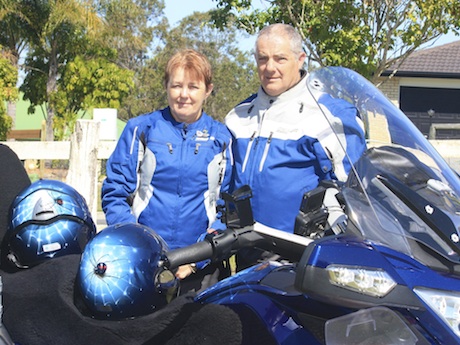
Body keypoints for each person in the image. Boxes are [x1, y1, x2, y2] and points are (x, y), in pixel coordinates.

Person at [225, 24, 366, 255]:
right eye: (262, 59)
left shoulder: (333, 116)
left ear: (300, 59)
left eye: (280, 59)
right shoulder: (237, 117)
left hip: (302, 258)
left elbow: (356, 194)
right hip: (245, 253)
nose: (270, 68)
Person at [101, 49, 232, 292]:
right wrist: (138, 246)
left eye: (193, 87)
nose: (183, 95)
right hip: (142, 262)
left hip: (201, 266)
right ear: (166, 86)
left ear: (208, 90)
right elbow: (115, 193)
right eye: (176, 86)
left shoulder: (222, 137)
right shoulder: (140, 129)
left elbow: (229, 208)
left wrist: (197, 257)